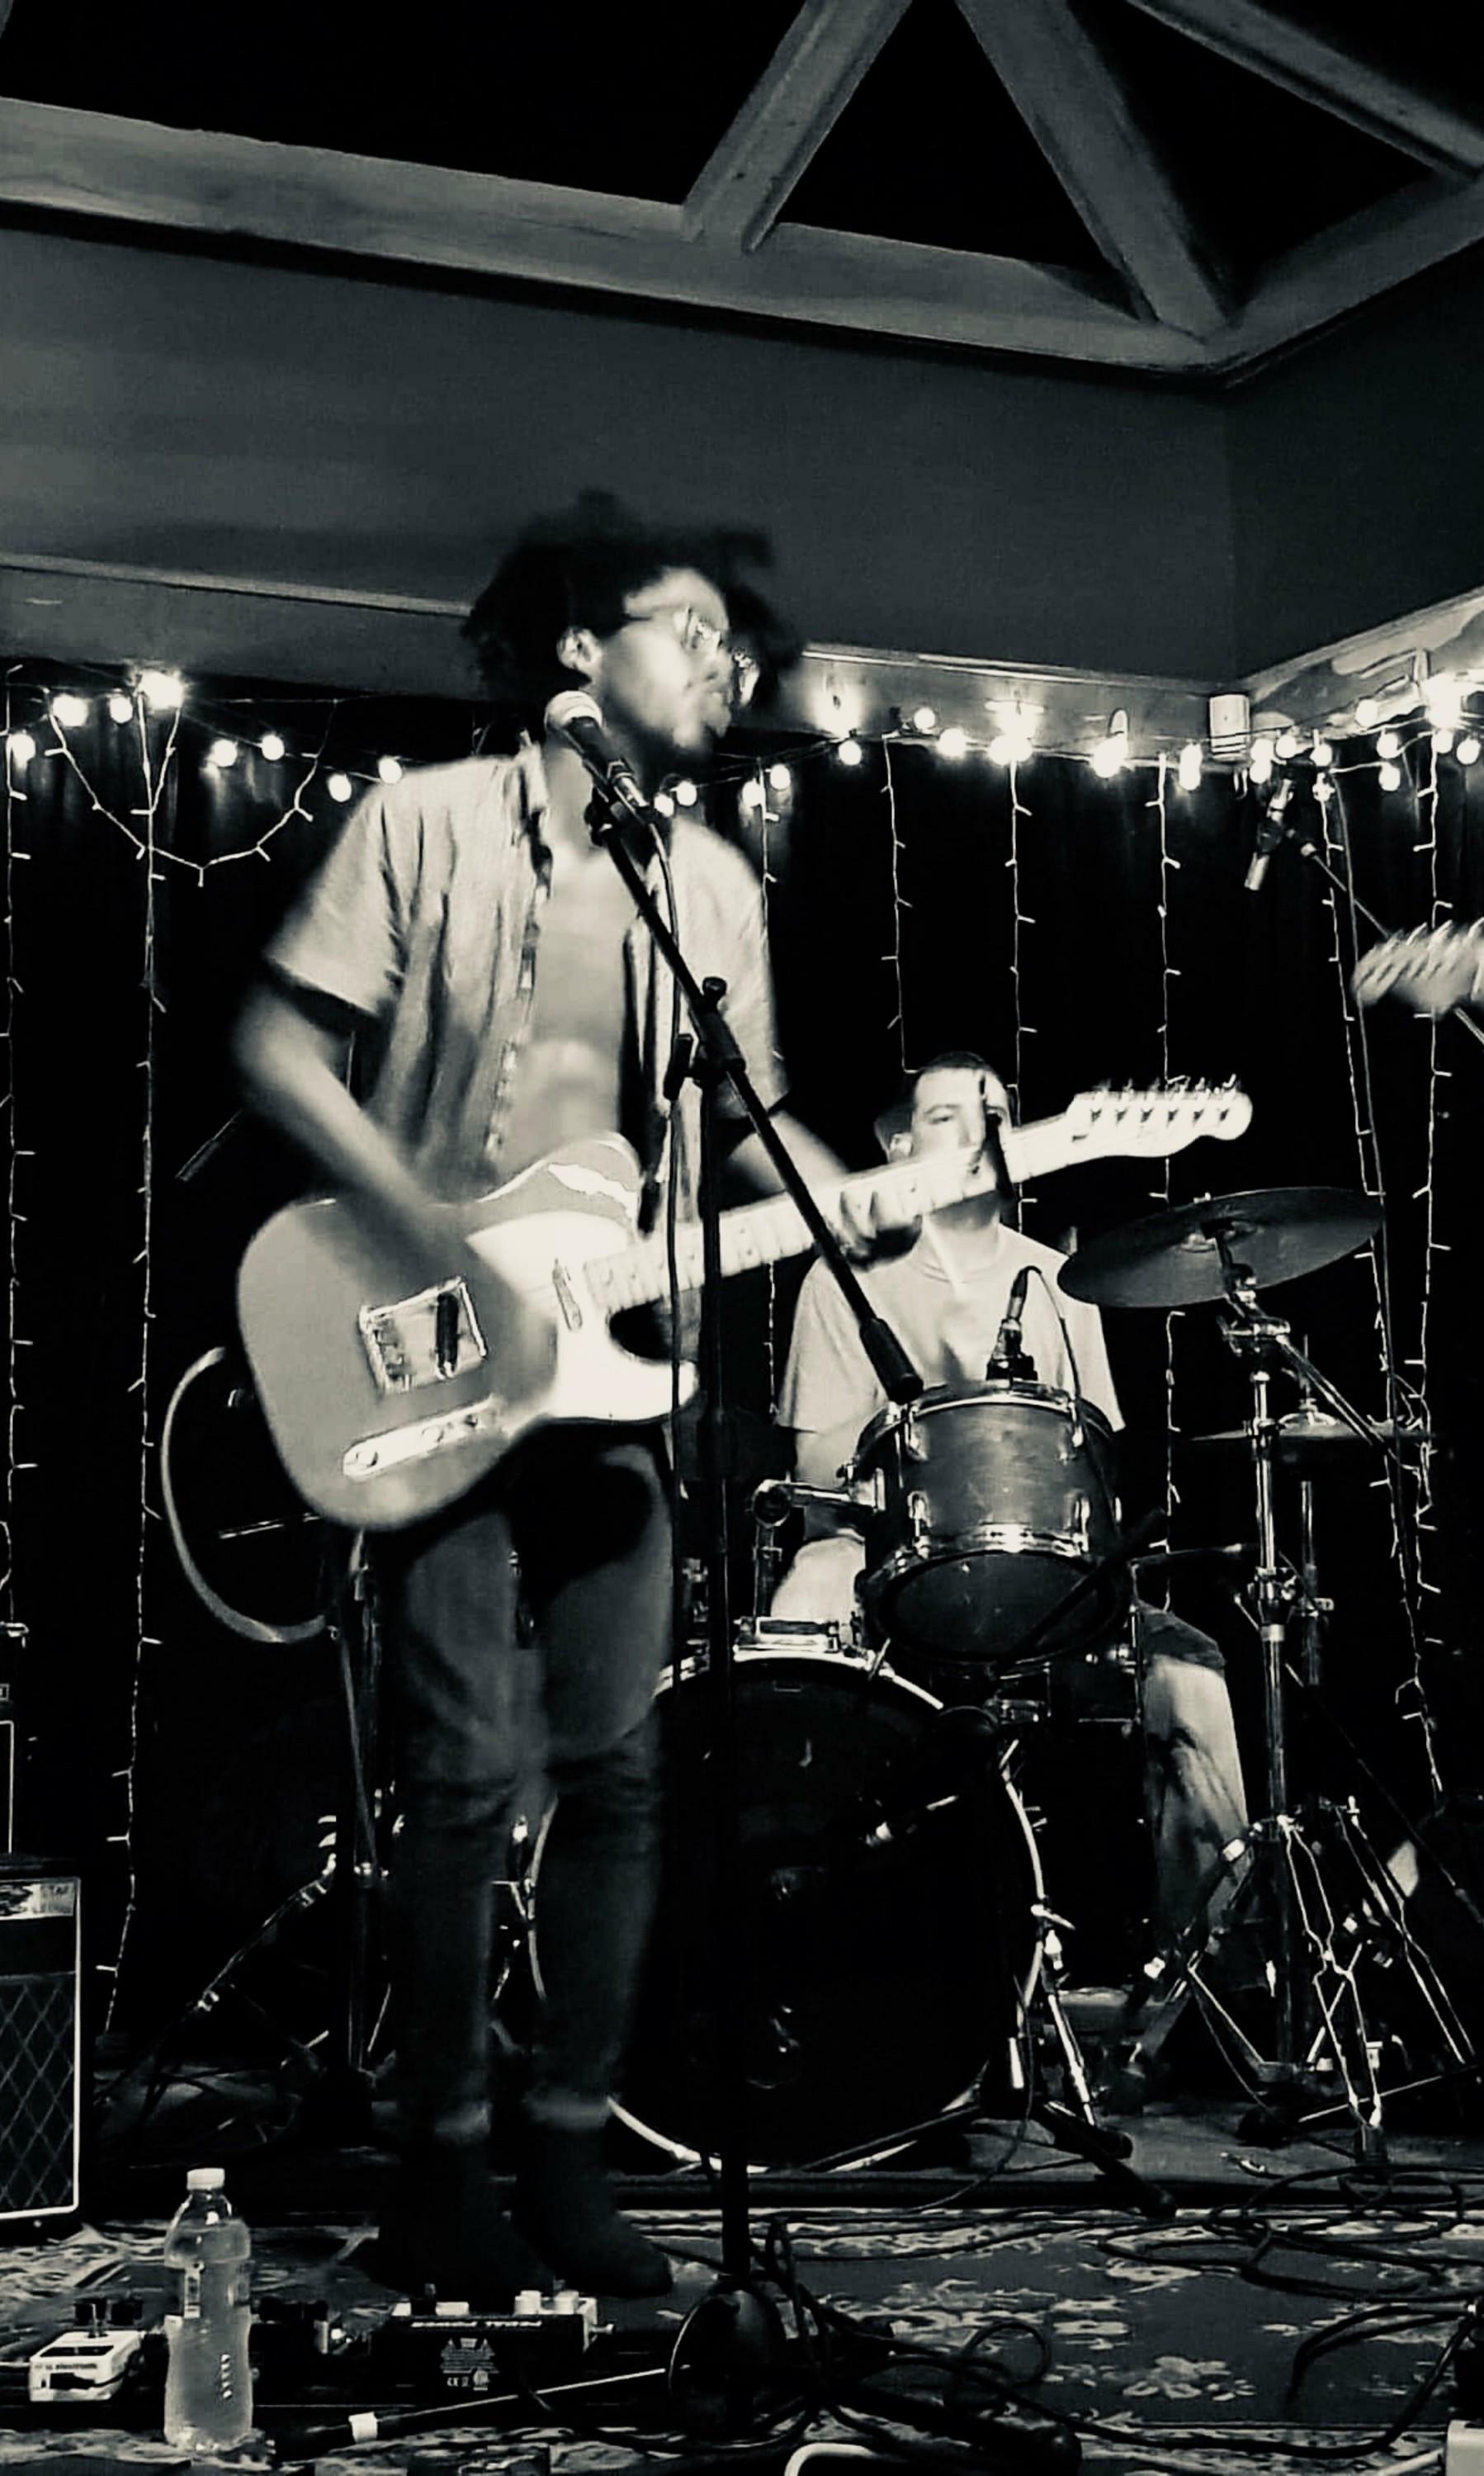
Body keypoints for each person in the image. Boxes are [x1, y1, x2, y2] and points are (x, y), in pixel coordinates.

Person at [232, 494, 894, 2302]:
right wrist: (428, 1225)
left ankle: (572, 2144)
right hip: (429, 1351)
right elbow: (278, 1045)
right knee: (460, 1777)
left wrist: (868, 1197)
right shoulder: (422, 824)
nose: (726, 665)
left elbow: (745, 1130)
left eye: (737, 648)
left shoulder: (714, 887)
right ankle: (440, 2157)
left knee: (620, 1774)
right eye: (691, 630)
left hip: (612, 1375)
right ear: (581, 648)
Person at [772, 1053, 1251, 1957]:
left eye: (995, 1111)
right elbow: (819, 1481)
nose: (981, 1130)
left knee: (1191, 1674)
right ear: (900, 1147)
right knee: (801, 1607)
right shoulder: (842, 1279)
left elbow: (1095, 1465)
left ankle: (1206, 1977)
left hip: (1042, 1577)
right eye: (948, 1115)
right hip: (883, 1562)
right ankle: (803, 1927)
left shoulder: (1065, 1282)